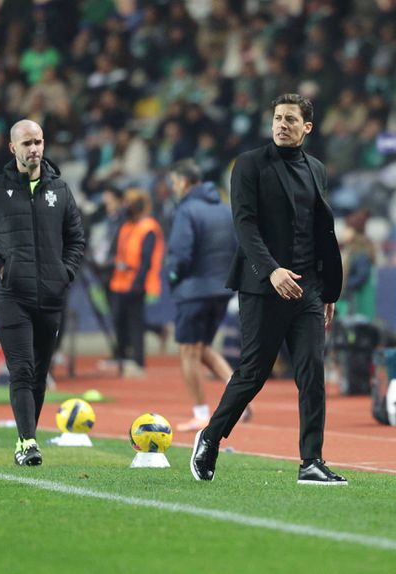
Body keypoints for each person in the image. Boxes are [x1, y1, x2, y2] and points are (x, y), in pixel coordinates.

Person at [190, 93, 345, 485]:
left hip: (308, 288)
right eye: (277, 118)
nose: (281, 124)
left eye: (291, 119)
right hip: (263, 286)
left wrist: (327, 289)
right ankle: (210, 437)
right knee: (253, 372)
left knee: (312, 371)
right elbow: (244, 225)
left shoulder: (317, 170)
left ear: (307, 127)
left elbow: (319, 231)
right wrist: (271, 270)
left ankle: (311, 461)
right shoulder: (249, 165)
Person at [0, 119, 85, 466]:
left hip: (50, 296)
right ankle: (28, 442)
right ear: (12, 148)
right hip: (11, 295)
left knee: (40, 373)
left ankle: (27, 435)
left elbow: (76, 238)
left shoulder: (60, 190)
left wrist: (66, 272)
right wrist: (1, 269)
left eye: (39, 142)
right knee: (22, 370)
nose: (34, 149)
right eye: (27, 143)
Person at [164, 159, 240, 432]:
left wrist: (173, 278)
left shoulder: (186, 209)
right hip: (221, 291)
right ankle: (240, 402)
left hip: (193, 291)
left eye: (174, 183)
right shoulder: (224, 209)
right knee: (203, 348)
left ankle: (200, 413)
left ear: (184, 182)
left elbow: (181, 254)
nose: (173, 188)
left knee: (188, 351)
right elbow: (236, 247)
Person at [108, 187, 164, 375]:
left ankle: (138, 361)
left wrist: (138, 283)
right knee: (118, 320)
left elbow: (146, 260)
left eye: (129, 203)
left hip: (135, 282)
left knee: (135, 322)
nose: (125, 206)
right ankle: (123, 356)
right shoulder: (126, 225)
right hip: (119, 281)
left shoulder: (149, 227)